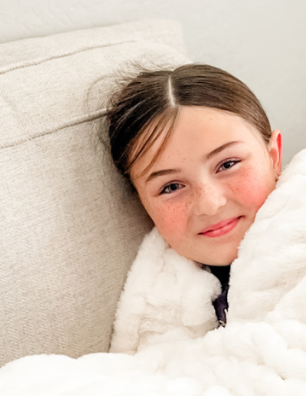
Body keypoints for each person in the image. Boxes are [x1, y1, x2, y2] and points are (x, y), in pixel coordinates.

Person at [106, 64, 282, 325]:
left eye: (228, 164)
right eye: (172, 187)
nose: (210, 204)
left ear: (273, 156)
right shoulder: (160, 302)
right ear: (142, 204)